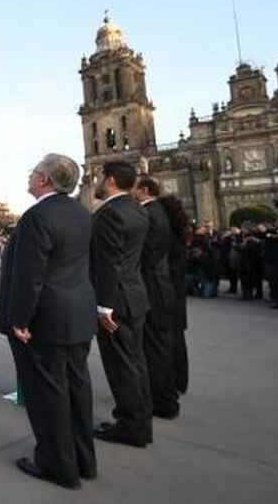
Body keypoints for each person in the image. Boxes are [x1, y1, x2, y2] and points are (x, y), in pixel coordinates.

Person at [0, 153, 97, 490]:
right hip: (77, 316)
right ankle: (83, 460)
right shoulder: (81, 213)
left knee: (47, 395)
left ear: (45, 180)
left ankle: (56, 464)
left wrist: (20, 319)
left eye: (34, 171)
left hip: (46, 319)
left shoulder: (37, 217)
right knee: (77, 390)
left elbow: (30, 274)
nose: (30, 175)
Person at [91, 160, 152, 447]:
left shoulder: (110, 214)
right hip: (134, 295)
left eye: (100, 177)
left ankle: (131, 426)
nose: (97, 182)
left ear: (111, 180)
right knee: (135, 362)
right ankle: (140, 422)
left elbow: (109, 263)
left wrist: (104, 306)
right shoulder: (137, 209)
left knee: (122, 365)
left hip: (116, 302)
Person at [132, 175, 180, 419]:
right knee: (158, 346)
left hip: (152, 286)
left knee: (155, 347)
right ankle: (164, 397)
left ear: (145, 190)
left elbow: (144, 254)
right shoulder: (156, 211)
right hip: (159, 284)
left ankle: (163, 401)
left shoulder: (149, 213)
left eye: (134, 187)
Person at [159, 194, 191, 394]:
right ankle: (181, 380)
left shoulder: (169, 234)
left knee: (170, 338)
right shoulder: (180, 232)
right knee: (177, 337)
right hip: (177, 289)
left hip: (169, 289)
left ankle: (174, 380)